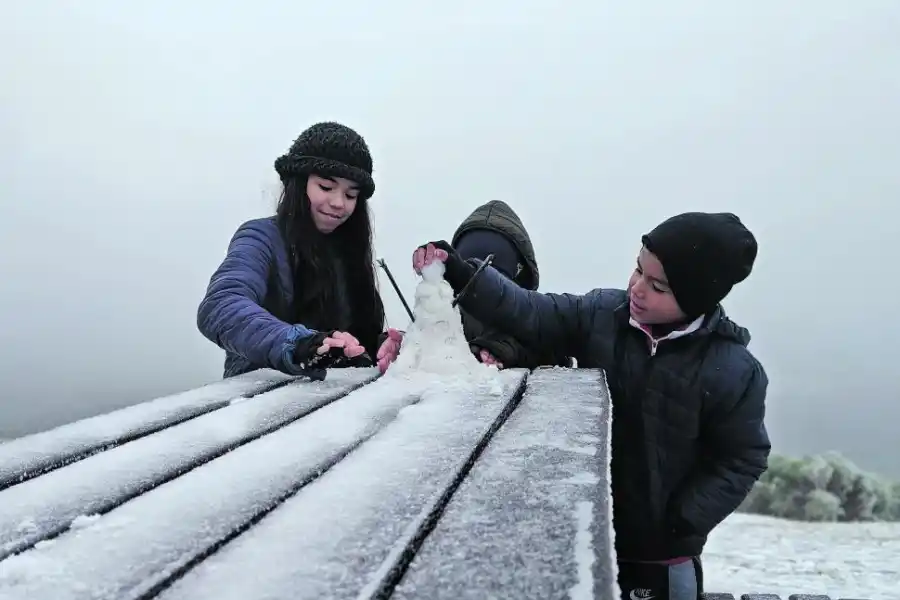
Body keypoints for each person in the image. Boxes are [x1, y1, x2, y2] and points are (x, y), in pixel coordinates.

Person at [410, 212, 770, 600]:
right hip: (582, 535)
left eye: (658, 286)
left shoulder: (733, 372)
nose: (637, 288)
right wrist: (464, 273)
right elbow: (530, 310)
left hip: (661, 559)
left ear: (697, 297)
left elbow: (742, 459)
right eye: (637, 270)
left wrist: (681, 523)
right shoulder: (602, 315)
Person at [197, 121, 386, 380]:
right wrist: (301, 344)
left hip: (342, 408)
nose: (338, 203)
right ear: (298, 184)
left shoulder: (351, 255)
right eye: (326, 187)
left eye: (351, 195)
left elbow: (361, 341)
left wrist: (390, 347)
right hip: (262, 407)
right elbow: (221, 305)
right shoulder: (260, 238)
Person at [375, 200, 571, 373]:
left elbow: (557, 355)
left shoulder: (537, 327)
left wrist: (511, 351)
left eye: (496, 281)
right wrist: (406, 344)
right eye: (473, 277)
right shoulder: (452, 315)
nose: (485, 291)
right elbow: (428, 336)